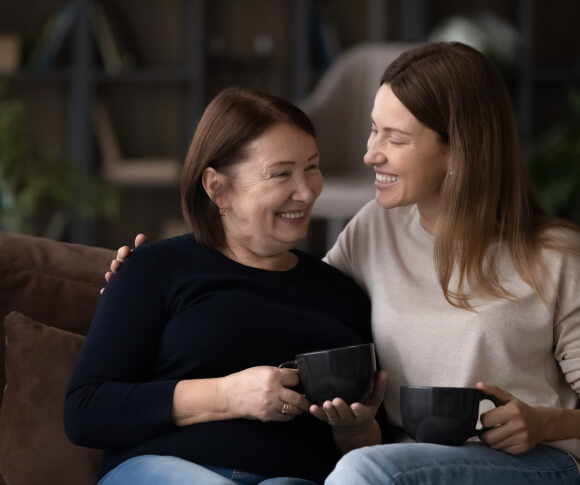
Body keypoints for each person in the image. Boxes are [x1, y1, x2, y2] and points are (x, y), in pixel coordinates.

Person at [107, 42, 580, 484]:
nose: (370, 153)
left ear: (458, 150)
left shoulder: (556, 255)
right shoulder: (376, 228)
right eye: (374, 129)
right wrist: (152, 277)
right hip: (404, 460)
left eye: (395, 138)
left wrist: (542, 422)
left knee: (364, 470)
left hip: (530, 462)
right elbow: (291, 301)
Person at [64, 87, 389, 485]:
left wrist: (354, 431)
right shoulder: (154, 268)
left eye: (312, 167)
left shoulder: (343, 294)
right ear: (217, 188)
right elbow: (86, 411)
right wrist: (228, 395)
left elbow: (376, 454)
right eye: (281, 173)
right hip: (164, 469)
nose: (306, 192)